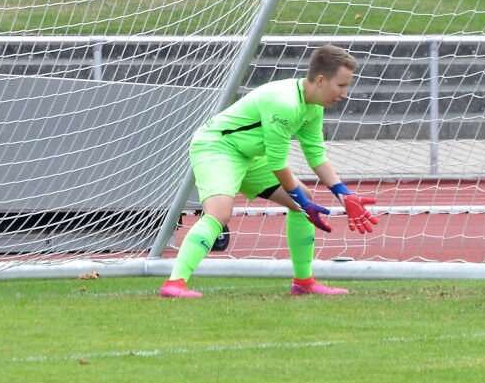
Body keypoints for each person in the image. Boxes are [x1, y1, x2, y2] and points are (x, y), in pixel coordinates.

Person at [159, 44, 377, 298]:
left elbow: (316, 157)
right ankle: (174, 283)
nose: (345, 94)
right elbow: (277, 164)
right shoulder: (285, 103)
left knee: (302, 201)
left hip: (249, 155)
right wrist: (303, 200)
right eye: (341, 85)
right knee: (220, 213)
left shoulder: (314, 107)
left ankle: (303, 282)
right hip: (217, 147)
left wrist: (345, 195)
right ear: (320, 80)